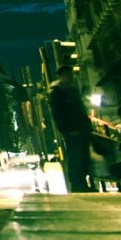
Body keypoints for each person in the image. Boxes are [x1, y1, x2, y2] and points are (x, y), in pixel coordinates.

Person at [47, 65, 93, 193]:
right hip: (72, 130)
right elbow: (58, 113)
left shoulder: (72, 90)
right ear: (61, 76)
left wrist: (86, 125)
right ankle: (78, 183)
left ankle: (82, 182)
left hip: (81, 128)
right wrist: (66, 128)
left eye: (71, 74)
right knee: (76, 157)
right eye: (68, 74)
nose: (71, 77)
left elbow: (80, 109)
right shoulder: (57, 91)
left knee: (83, 156)